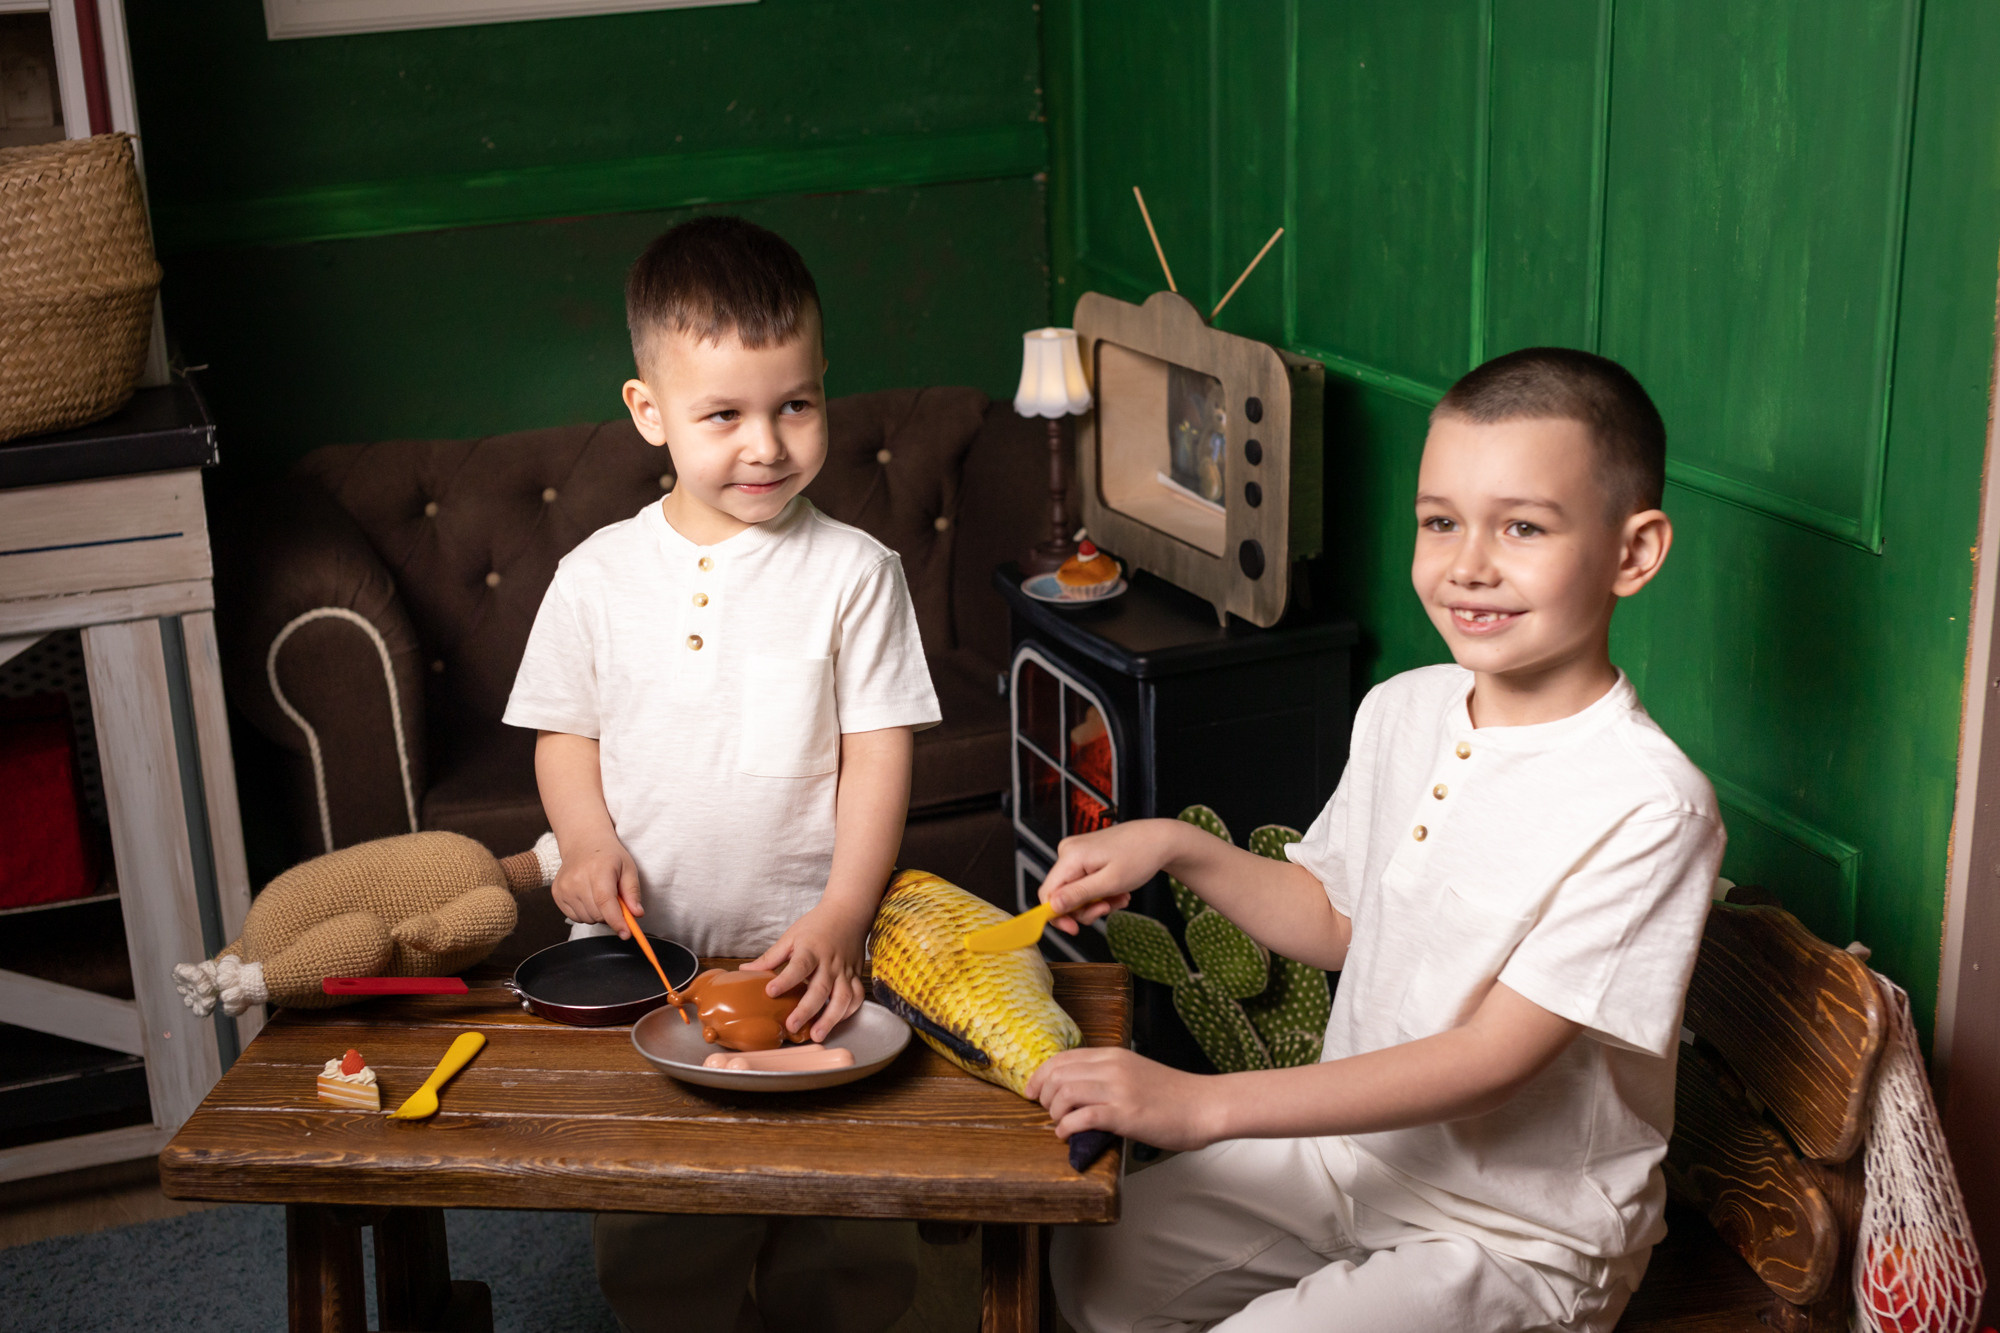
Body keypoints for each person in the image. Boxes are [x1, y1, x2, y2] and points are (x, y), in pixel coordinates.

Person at [1029, 347, 1726, 1333]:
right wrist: (1171, 847)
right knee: (1091, 1257)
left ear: (1630, 552)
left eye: (1521, 526)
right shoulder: (1407, 708)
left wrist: (1199, 1106)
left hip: (1506, 1234)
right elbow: (1339, 917)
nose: (1467, 563)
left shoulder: (1648, 805)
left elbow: (1492, 1056)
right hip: (1350, 1155)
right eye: (1439, 521)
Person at [503, 215, 939, 1333]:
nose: (767, 445)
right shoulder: (596, 575)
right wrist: (588, 844)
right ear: (648, 412)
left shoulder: (855, 573)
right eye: (724, 415)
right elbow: (565, 736)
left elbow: (877, 750)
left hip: (813, 961)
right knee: (660, 1215)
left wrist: (845, 910)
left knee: (844, 1216)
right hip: (654, 968)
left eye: (795, 404)